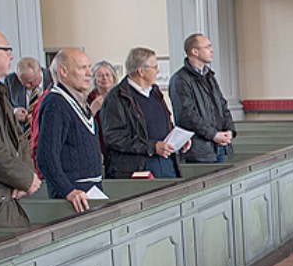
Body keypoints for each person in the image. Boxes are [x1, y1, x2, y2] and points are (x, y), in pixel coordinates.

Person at [101, 47, 186, 179]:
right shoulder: (116, 98)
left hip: (167, 162)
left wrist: (178, 141)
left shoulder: (155, 92)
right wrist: (152, 147)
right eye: (154, 67)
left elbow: (164, 124)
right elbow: (114, 137)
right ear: (141, 71)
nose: (158, 71)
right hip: (138, 167)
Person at [36, 49, 102, 214]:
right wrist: (68, 190)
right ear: (63, 71)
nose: (89, 73)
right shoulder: (56, 104)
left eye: (89, 67)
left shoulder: (78, 100)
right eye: (82, 68)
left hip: (89, 192)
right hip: (74, 198)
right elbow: (46, 157)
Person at [0, 30, 41, 228]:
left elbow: (19, 139)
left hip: (6, 196)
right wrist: (24, 178)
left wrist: (26, 177)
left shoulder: (0, 91)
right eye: (6, 50)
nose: (11, 55)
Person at [169, 34, 236, 164]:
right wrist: (213, 135)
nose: (212, 50)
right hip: (199, 151)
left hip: (218, 146)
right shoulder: (180, 80)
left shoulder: (209, 76)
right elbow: (187, 116)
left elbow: (222, 105)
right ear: (195, 51)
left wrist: (229, 130)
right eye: (207, 47)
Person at [5, 56, 53, 134]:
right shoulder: (11, 81)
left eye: (31, 82)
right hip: (22, 135)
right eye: (24, 83)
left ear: (39, 71)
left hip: (47, 132)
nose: (27, 86)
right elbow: (4, 106)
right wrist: (14, 111)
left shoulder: (53, 79)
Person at [88, 60, 117, 154]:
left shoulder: (121, 98)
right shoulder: (87, 100)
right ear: (94, 79)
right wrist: (92, 110)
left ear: (113, 78)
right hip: (97, 149)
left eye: (108, 74)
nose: (105, 78)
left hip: (119, 150)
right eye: (100, 75)